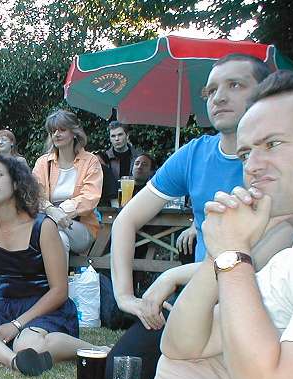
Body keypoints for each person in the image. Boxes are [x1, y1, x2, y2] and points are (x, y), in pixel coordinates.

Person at [148, 70, 293, 379]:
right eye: (246, 153)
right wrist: (223, 251)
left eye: (272, 144)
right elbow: (181, 344)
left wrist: (234, 254)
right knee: (184, 370)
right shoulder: (287, 252)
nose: (254, 166)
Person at [111, 54, 272, 330]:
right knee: (124, 357)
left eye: (235, 85)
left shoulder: (280, 161)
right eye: (211, 90)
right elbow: (126, 219)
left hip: (262, 303)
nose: (218, 98)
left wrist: (173, 275)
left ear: (265, 94)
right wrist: (124, 296)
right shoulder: (194, 154)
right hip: (199, 301)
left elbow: (267, 255)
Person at [0, 154, 107, 376]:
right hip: (6, 308)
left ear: (16, 183)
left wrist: (16, 325)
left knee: (26, 345)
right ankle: (13, 361)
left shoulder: (43, 226)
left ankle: (95, 349)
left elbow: (59, 291)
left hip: (47, 310)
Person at [32, 110, 102, 262]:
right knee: (60, 238)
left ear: (74, 133)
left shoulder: (90, 161)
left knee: (47, 228)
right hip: (50, 222)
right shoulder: (43, 163)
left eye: (62, 130)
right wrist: (52, 211)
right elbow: (34, 195)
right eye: (53, 131)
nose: (56, 134)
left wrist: (60, 212)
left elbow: (90, 197)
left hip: (81, 227)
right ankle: (58, 279)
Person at [105, 121, 143, 186]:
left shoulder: (139, 157)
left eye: (120, 135)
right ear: (110, 139)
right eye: (113, 136)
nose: (117, 139)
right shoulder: (104, 158)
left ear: (127, 136)